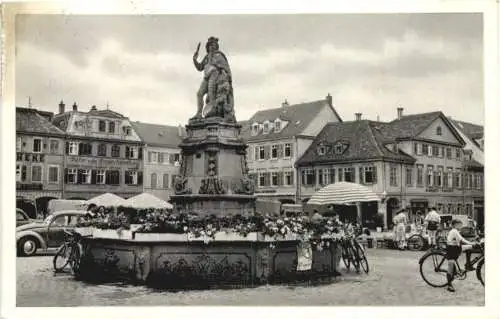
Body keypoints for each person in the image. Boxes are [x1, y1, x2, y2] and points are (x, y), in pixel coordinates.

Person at [445, 219, 475, 292]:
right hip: (452, 250)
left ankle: (468, 264)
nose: (461, 226)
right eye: (460, 224)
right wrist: (471, 243)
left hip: (456, 248)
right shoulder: (454, 231)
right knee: (450, 267)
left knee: (470, 247)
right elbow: (461, 240)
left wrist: (470, 243)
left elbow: (461, 239)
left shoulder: (456, 231)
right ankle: (449, 285)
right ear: (455, 225)